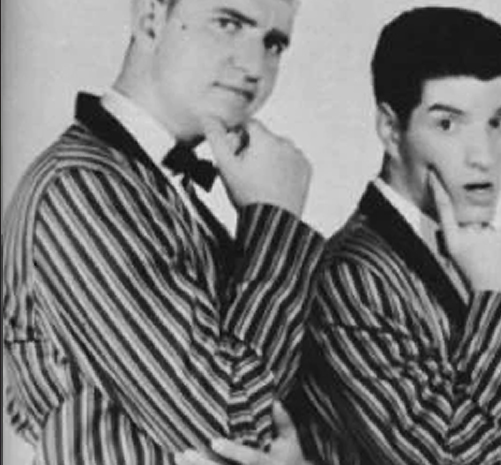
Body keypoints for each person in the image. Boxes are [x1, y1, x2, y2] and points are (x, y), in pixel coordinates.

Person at [1, 0, 322, 463]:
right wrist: (277, 221)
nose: (255, 67)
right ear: (150, 20)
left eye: (273, 44)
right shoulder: (81, 186)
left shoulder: (159, 192)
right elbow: (230, 426)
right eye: (228, 23)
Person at [292, 7, 501, 464]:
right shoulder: (354, 275)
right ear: (391, 129)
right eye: (447, 124)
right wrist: (497, 299)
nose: (483, 156)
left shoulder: (468, 253)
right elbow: (448, 457)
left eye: (498, 122)